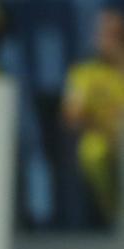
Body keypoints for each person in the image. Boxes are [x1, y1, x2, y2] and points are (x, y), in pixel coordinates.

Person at [63, 0, 124, 227]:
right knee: (92, 151)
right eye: (103, 33)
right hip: (103, 137)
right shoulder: (84, 72)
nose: (106, 40)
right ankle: (114, 213)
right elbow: (72, 116)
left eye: (114, 34)